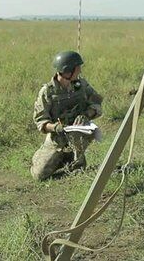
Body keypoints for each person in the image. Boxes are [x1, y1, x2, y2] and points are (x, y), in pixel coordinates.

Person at [31, 51, 103, 181]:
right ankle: (59, 157)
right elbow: (41, 122)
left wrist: (87, 115)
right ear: (68, 71)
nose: (80, 71)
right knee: (39, 175)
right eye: (77, 68)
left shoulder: (81, 85)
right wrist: (56, 127)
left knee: (77, 137)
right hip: (57, 138)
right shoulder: (47, 92)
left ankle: (78, 164)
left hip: (79, 134)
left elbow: (97, 101)